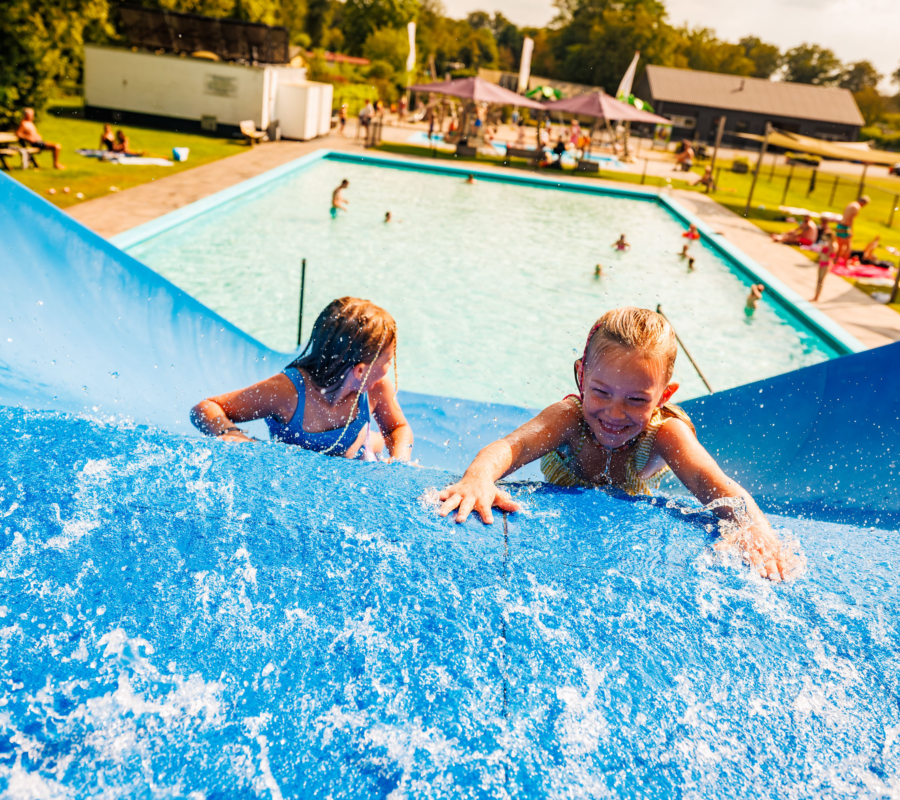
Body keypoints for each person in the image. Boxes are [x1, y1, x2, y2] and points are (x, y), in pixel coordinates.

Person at [437, 307, 800, 581]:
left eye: (637, 400)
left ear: (664, 395)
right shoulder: (569, 418)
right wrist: (479, 478)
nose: (615, 413)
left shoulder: (665, 433)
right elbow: (511, 447)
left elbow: (714, 484)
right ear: (582, 376)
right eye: (601, 392)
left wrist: (753, 528)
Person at [190, 298, 413, 461]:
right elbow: (205, 408)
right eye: (388, 361)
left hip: (358, 452)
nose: (389, 369)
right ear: (360, 371)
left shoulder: (375, 388)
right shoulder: (287, 392)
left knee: (369, 445)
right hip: (330, 455)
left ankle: (369, 440)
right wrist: (230, 434)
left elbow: (397, 428)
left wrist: (400, 459)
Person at [835, 196, 870, 261]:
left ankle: (835, 259)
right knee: (848, 246)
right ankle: (845, 263)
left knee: (839, 244)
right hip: (845, 227)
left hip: (840, 225)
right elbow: (851, 219)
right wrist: (851, 230)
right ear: (863, 202)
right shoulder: (856, 207)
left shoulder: (851, 204)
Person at [813, 232, 836, 302]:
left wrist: (824, 249)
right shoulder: (825, 245)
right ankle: (815, 296)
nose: (824, 241)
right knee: (818, 280)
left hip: (826, 264)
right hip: (821, 263)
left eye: (825, 239)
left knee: (821, 280)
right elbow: (820, 254)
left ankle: (817, 297)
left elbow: (830, 256)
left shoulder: (833, 246)